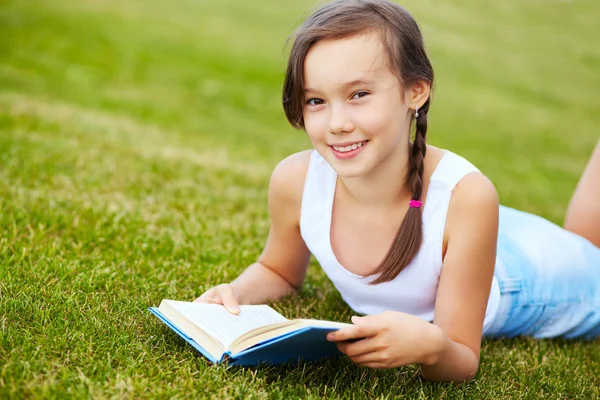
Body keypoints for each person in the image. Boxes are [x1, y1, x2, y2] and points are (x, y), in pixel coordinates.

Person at [194, 0, 600, 382]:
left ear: (415, 92)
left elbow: (461, 359)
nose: (337, 122)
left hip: (526, 277)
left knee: (590, 254)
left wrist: (431, 347)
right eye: (316, 100)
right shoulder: (294, 181)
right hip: (465, 238)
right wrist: (236, 293)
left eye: (358, 95)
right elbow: (278, 270)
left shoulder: (469, 197)